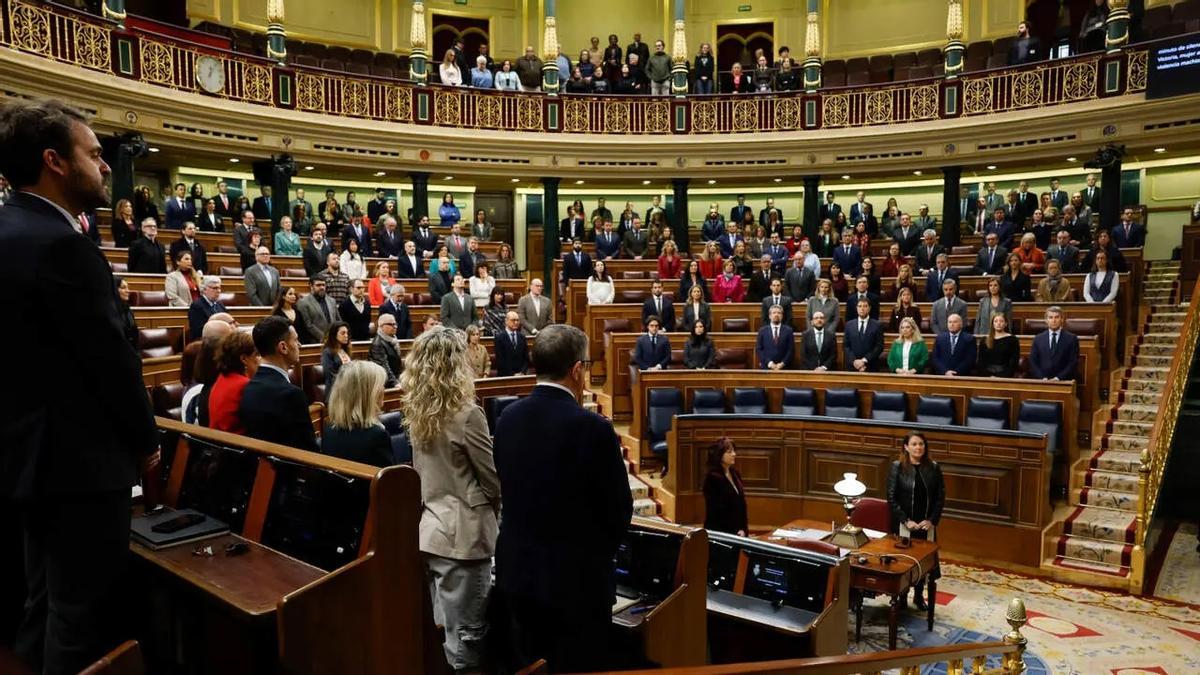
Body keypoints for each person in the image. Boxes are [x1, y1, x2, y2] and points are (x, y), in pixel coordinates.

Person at [0, 99, 159, 674]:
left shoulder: (8, 228)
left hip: (26, 461)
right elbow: (109, 360)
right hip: (80, 467)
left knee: (41, 603)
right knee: (80, 618)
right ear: (55, 162)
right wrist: (146, 440)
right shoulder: (63, 245)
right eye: (94, 154)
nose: (107, 165)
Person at [492, 324, 631, 671]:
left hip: (518, 576)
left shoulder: (507, 418)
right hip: (577, 586)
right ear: (577, 370)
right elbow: (619, 511)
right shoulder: (593, 427)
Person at [402, 325, 501, 672]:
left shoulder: (418, 412)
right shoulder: (467, 413)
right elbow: (491, 480)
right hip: (465, 537)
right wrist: (493, 510)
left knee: (444, 632)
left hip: (431, 530)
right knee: (468, 641)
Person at [886, 432, 944, 610]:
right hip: (904, 524)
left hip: (926, 525)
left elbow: (940, 497)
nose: (918, 447)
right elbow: (891, 497)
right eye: (914, 444)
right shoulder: (897, 467)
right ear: (906, 447)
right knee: (903, 562)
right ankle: (901, 597)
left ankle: (919, 596)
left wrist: (932, 520)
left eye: (921, 444)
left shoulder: (933, 467)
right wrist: (905, 520)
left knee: (924, 563)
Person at [242, 315, 318, 445]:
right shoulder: (292, 394)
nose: (299, 345)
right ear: (283, 347)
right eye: (296, 340)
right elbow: (308, 449)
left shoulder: (248, 387)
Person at [321, 360, 394, 467]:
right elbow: (392, 480)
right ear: (368, 394)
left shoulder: (329, 431)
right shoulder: (376, 436)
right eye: (380, 385)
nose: (383, 389)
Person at [208, 331, 258, 434]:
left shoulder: (222, 378)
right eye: (257, 355)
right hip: (236, 446)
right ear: (244, 358)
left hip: (218, 443)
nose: (260, 360)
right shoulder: (244, 385)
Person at [703, 437, 748, 535]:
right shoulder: (712, 479)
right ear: (719, 455)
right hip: (722, 533)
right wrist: (735, 530)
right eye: (729, 452)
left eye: (734, 451)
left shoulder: (735, 474)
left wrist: (743, 528)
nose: (734, 454)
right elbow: (717, 512)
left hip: (738, 532)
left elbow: (741, 505)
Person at [844, 297, 884, 372]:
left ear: (869, 308)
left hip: (870, 366)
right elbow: (846, 346)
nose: (862, 309)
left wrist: (864, 360)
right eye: (860, 306)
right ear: (856, 308)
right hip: (853, 366)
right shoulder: (849, 325)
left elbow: (879, 346)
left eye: (865, 306)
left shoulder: (877, 325)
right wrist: (854, 361)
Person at [296, 276, 340, 343]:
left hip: (334, 339)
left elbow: (338, 319)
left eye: (323, 285)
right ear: (311, 286)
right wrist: (324, 338)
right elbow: (308, 325)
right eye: (318, 285)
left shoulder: (332, 301)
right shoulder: (303, 303)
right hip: (314, 341)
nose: (322, 287)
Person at [755, 304, 794, 370]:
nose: (776, 315)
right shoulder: (762, 330)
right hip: (766, 367)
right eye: (774, 313)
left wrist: (782, 363)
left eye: (779, 313)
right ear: (770, 316)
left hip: (784, 368)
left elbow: (791, 350)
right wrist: (769, 363)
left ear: (782, 316)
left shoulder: (788, 330)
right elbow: (759, 349)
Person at [187, 276, 226, 340]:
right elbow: (198, 331)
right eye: (215, 288)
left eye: (219, 288)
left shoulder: (220, 305)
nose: (218, 291)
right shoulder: (197, 306)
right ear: (204, 290)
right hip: (206, 341)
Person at [495, 310, 530, 376]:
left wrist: (522, 372)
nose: (516, 322)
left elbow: (526, 358)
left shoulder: (522, 337)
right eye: (513, 320)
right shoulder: (499, 337)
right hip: (505, 376)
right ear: (506, 321)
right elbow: (500, 361)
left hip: (521, 376)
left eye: (517, 320)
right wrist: (512, 374)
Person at [114, 277, 139, 350]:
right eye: (123, 288)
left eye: (128, 288)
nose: (128, 291)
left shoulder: (128, 310)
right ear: (115, 290)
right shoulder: (111, 311)